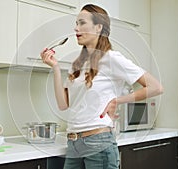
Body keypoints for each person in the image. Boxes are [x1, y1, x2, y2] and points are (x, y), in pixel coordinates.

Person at [40, 4, 163, 169]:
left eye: (82, 23)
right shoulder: (76, 65)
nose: (76, 28)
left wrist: (116, 101)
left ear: (98, 27)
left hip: (98, 142)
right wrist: (55, 68)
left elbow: (155, 87)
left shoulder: (112, 58)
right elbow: (63, 105)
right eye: (76, 23)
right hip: (74, 143)